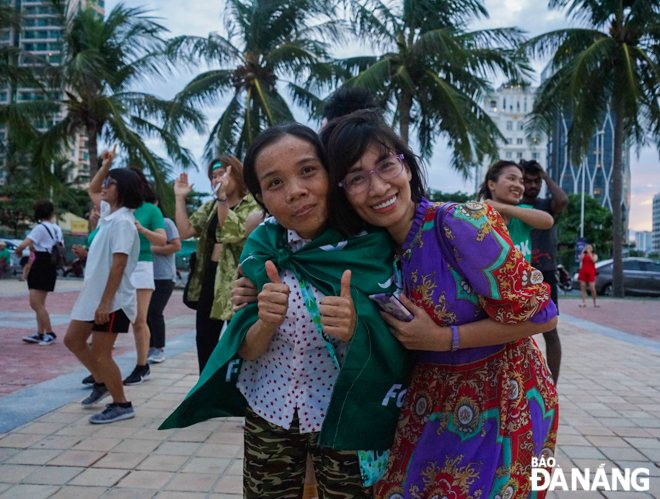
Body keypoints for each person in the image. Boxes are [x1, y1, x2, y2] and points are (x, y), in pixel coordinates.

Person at [163, 124, 417, 499]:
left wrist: (356, 329)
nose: (296, 190)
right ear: (261, 197)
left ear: (330, 173)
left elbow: (399, 343)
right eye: (275, 183)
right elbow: (246, 350)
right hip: (270, 410)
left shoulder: (371, 246)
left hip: (347, 413)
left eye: (308, 171)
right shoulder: (263, 246)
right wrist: (265, 322)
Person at [321, 111, 558, 499]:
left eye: (385, 165)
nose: (378, 187)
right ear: (343, 192)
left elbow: (543, 315)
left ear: (407, 167)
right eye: (357, 178)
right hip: (425, 407)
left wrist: (443, 337)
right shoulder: (373, 253)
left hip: (504, 406)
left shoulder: (459, 224)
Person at [63, 152, 144, 423]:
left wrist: (104, 304)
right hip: (95, 296)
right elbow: (93, 188)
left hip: (113, 301)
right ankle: (100, 383)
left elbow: (119, 266)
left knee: (100, 353)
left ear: (122, 189)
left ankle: (121, 404)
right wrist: (106, 165)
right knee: (73, 340)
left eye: (111, 182)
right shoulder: (110, 216)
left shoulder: (123, 223)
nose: (104, 186)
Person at [87, 150, 167, 386]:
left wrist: (142, 230)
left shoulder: (150, 210)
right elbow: (92, 190)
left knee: (138, 319)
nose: (109, 187)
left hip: (140, 265)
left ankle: (142, 366)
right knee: (104, 316)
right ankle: (100, 368)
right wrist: (104, 167)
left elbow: (162, 240)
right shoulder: (112, 207)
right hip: (112, 267)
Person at [173, 155, 260, 373]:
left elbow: (232, 232)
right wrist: (180, 198)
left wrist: (223, 200)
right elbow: (185, 232)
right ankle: (205, 395)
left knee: (238, 341)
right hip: (210, 280)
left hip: (238, 283)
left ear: (236, 175)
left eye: (222, 174)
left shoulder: (253, 205)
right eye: (213, 176)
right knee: (205, 340)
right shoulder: (211, 206)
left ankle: (240, 396)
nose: (216, 180)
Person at [520, 159, 569, 383]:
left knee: (550, 331)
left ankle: (553, 386)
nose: (532, 185)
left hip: (545, 272)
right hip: (517, 272)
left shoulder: (545, 205)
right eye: (527, 181)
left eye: (536, 181)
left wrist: (546, 176)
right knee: (514, 332)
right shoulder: (513, 204)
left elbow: (563, 201)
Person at [477, 160, 555, 263]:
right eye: (511, 179)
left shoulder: (521, 214)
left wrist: (502, 207)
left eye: (521, 182)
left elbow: (548, 221)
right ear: (491, 185)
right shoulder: (479, 220)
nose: (518, 186)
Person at [14, 200, 64, 346]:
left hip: (41, 264)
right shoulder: (57, 228)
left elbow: (24, 244)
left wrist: (18, 252)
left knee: (35, 302)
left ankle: (49, 333)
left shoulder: (40, 228)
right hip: (50, 264)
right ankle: (40, 333)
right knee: (40, 302)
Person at [146, 195, 182, 363]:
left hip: (164, 276)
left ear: (156, 202)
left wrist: (152, 248)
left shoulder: (166, 223)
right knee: (145, 314)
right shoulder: (143, 225)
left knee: (154, 312)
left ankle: (159, 348)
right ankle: (150, 347)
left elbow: (176, 246)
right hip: (146, 275)